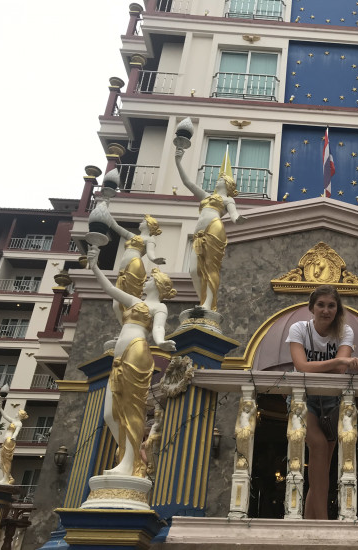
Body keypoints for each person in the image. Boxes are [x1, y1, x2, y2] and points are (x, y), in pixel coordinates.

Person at [87, 244, 177, 477]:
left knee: (132, 410)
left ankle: (128, 462)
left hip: (137, 352)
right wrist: (95, 266)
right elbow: (110, 288)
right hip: (119, 356)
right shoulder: (134, 301)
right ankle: (132, 456)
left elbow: (158, 329)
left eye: (150, 279)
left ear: (157, 285)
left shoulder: (159, 307)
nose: (145, 281)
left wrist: (162, 342)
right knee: (110, 413)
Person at [286, 285, 358, 519]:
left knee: (322, 469)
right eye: (320, 305)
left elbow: (338, 369)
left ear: (337, 309)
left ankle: (309, 524)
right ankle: (324, 522)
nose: (326, 310)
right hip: (303, 398)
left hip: (332, 400)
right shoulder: (299, 329)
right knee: (318, 446)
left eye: (331, 305)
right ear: (311, 307)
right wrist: (339, 361)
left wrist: (335, 364)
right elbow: (302, 366)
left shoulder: (345, 331)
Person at [174, 146, 245, 311]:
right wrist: (178, 161)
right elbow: (188, 183)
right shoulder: (206, 196)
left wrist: (238, 219)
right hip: (198, 233)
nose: (218, 180)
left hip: (214, 228)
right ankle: (203, 301)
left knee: (210, 267)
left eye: (221, 179)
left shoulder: (228, 200)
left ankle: (208, 304)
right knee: (194, 270)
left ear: (227, 184)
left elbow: (234, 214)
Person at [107, 213, 166, 324]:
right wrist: (107, 215)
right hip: (123, 270)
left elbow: (150, 253)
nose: (140, 223)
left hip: (135, 266)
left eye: (143, 221)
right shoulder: (134, 236)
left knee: (129, 299)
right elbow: (117, 228)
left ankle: (129, 324)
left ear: (148, 225)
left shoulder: (150, 239)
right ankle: (124, 327)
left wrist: (155, 260)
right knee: (116, 304)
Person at [0, 403, 28, 484]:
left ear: (19, 415)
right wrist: (0, 408)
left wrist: (13, 437)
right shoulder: (14, 421)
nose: (16, 414)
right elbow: (5, 416)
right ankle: (8, 478)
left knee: (6, 461)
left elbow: (16, 432)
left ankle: (5, 479)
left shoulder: (19, 423)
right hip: (5, 442)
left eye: (17, 413)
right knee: (0, 463)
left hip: (9, 441)